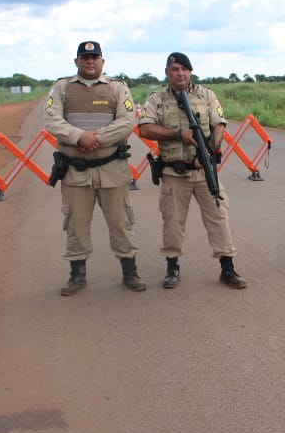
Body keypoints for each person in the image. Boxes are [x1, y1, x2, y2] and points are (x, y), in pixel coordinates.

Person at [44, 40, 146, 295]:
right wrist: (79, 136)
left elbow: (127, 120)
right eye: (85, 57)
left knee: (121, 222)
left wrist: (95, 138)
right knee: (76, 224)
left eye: (95, 57)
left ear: (103, 61)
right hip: (75, 171)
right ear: (76, 61)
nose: (90, 61)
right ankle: (77, 276)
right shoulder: (62, 88)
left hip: (112, 168)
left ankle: (130, 273)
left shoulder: (117, 88)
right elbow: (51, 120)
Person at [138, 52, 247, 290]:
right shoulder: (157, 99)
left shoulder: (206, 95)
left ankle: (227, 268)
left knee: (219, 216)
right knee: (173, 222)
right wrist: (177, 135)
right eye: (175, 69)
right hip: (174, 171)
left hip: (204, 170)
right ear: (167, 72)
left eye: (184, 69)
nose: (180, 73)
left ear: (190, 71)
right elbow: (144, 129)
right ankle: (172, 267)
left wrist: (208, 151)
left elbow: (219, 125)